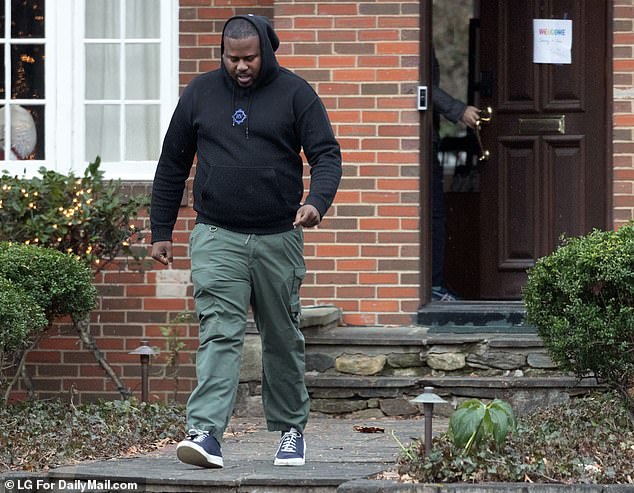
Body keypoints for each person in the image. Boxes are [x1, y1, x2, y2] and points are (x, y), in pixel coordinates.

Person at [150, 15, 342, 468]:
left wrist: (316, 202)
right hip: (217, 234)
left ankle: (291, 430)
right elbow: (172, 164)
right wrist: (161, 231)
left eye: (249, 58)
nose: (240, 67)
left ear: (266, 51)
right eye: (232, 58)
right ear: (222, 52)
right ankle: (206, 433)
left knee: (281, 336)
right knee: (219, 331)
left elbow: (326, 155)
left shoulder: (296, 94)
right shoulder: (199, 93)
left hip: (279, 236)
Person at [431, 48, 480, 301]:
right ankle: (434, 288)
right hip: (421, 145)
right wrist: (458, 110)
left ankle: (435, 286)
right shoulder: (412, 46)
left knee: (436, 218)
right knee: (434, 217)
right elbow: (419, 85)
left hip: (428, 143)